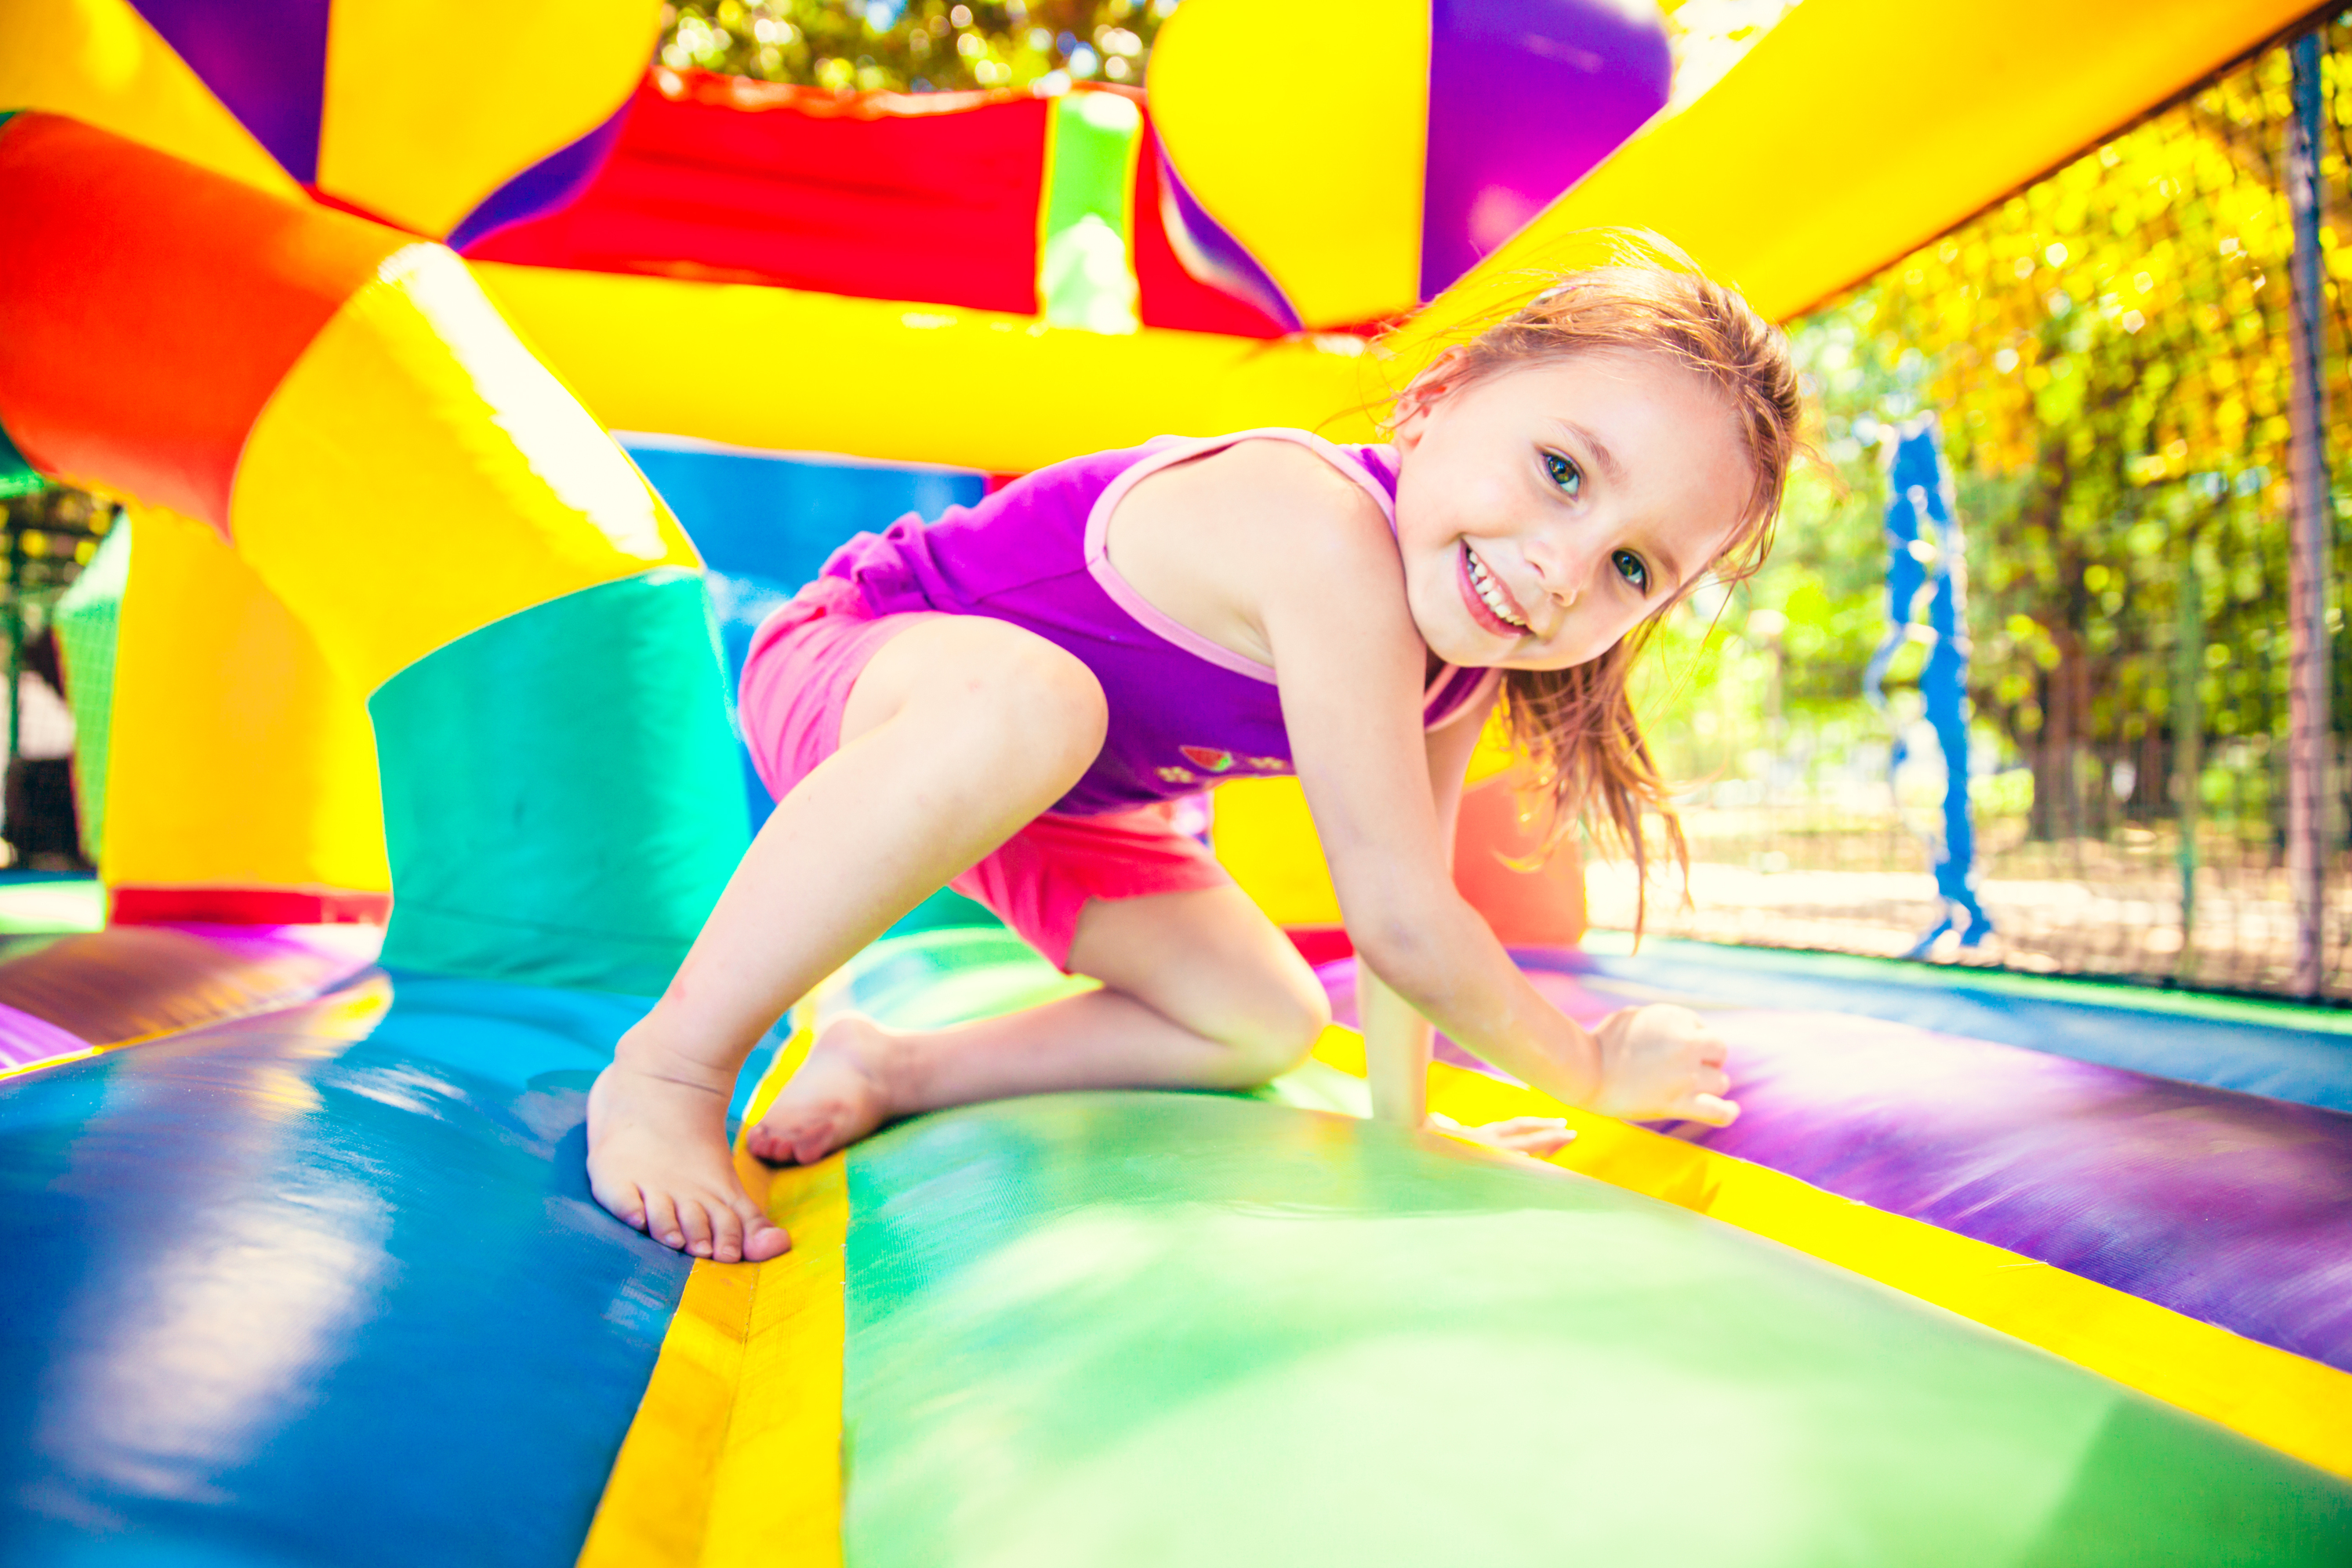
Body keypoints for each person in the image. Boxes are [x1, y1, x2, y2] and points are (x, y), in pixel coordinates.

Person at [587, 245, 1803, 1264]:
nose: (1561, 568)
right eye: (1561, 473)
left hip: (1068, 800)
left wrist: (1406, 1130)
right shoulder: (1315, 522)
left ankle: (894, 1068)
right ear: (1436, 398)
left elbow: (1413, 903)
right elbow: (1398, 925)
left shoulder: (1467, 652)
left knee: (1261, 1016)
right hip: (869, 674)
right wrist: (1585, 1066)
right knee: (1036, 699)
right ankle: (671, 1070)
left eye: (1632, 570)